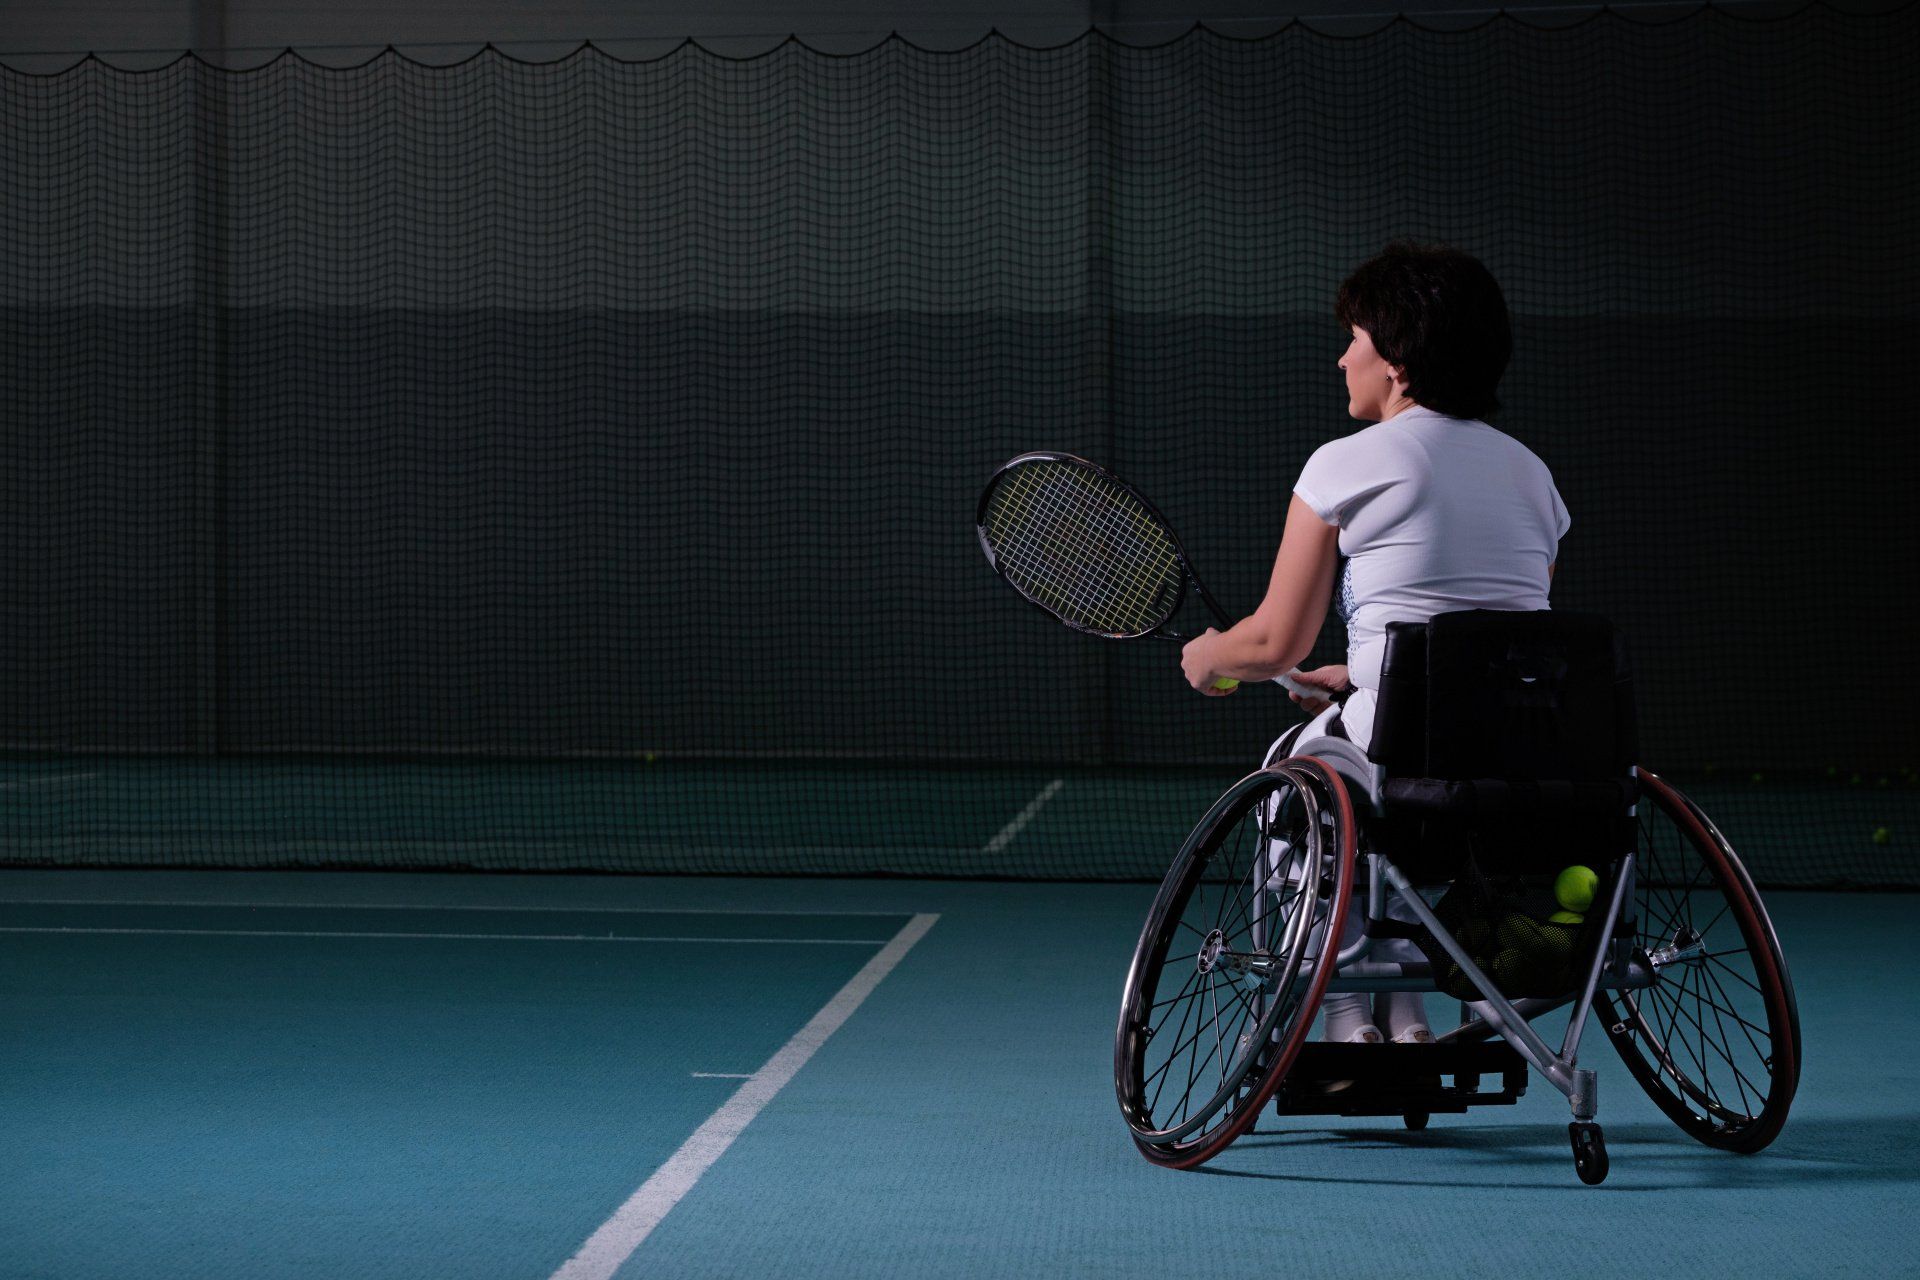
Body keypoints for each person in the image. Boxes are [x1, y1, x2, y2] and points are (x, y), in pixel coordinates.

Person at [1177, 240, 1569, 1057]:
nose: (1342, 355)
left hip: (1399, 744)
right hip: (1530, 755)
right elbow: (1489, 629)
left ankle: (1347, 1003)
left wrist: (1210, 656)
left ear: (1394, 361)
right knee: (1358, 752)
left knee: (1301, 776)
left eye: (1355, 337)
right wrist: (1353, 676)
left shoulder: (1343, 465)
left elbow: (1272, 639)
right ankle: (1411, 1007)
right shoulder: (1534, 475)